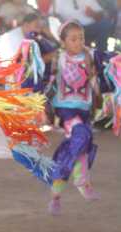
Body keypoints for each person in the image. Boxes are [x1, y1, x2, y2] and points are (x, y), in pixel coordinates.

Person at [47, 20, 101, 215]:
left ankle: (56, 195)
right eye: (73, 39)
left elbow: (97, 79)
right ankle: (81, 182)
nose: (78, 42)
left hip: (84, 108)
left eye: (81, 38)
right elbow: (50, 83)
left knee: (79, 150)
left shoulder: (89, 56)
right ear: (63, 42)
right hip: (65, 110)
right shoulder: (59, 58)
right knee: (81, 134)